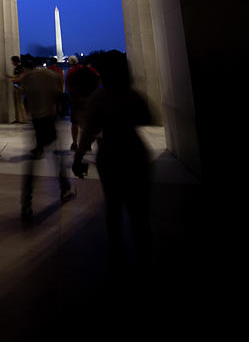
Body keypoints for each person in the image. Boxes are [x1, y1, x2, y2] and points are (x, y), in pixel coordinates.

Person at [72, 50, 152, 269]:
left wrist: (78, 157)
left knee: (113, 205)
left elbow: (88, 132)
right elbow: (146, 118)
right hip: (135, 151)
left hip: (111, 153)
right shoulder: (134, 95)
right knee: (139, 208)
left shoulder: (100, 97)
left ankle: (117, 252)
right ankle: (143, 251)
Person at [20, 56, 74, 218]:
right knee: (56, 159)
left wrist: (31, 113)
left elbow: (26, 100)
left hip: (36, 121)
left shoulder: (28, 78)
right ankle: (64, 189)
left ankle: (26, 202)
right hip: (49, 120)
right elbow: (59, 97)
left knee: (33, 162)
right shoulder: (51, 76)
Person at [65, 55, 100, 151]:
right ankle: (87, 143)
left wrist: (73, 96)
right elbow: (98, 81)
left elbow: (68, 86)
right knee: (89, 123)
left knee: (75, 123)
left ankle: (75, 143)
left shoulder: (71, 72)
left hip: (77, 100)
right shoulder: (92, 71)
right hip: (90, 100)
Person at [6, 55, 28, 123]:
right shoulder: (17, 68)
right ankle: (19, 118)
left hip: (19, 87)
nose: (11, 62)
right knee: (17, 103)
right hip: (16, 86)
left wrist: (14, 80)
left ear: (15, 61)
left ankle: (22, 119)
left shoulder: (20, 67)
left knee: (19, 103)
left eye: (12, 61)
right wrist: (10, 77)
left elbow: (21, 76)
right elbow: (17, 76)